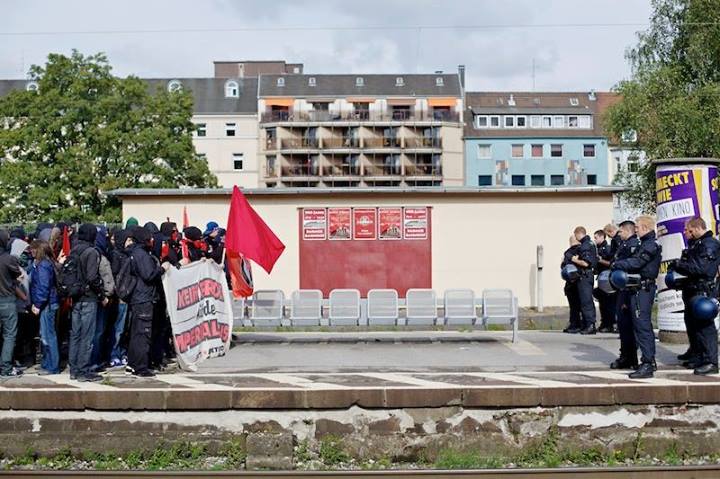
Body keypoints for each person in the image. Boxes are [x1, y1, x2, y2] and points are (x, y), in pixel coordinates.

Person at [611, 215, 661, 378]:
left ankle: (648, 363)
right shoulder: (644, 244)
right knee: (634, 324)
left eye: (638, 227)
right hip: (636, 288)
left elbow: (636, 263)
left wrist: (617, 264)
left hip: (644, 289)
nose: (636, 230)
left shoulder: (650, 245)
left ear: (645, 228)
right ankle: (635, 359)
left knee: (642, 326)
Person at [671, 217, 720, 375]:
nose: (686, 233)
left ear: (698, 228)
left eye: (688, 230)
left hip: (702, 290)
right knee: (693, 326)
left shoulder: (709, 244)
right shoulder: (696, 244)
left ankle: (711, 361)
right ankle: (699, 355)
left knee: (705, 327)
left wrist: (679, 265)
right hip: (691, 289)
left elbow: (701, 268)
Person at [126, 226, 169, 377]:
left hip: (140, 297)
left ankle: (133, 364)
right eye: (149, 238)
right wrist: (162, 269)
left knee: (137, 333)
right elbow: (149, 275)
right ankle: (140, 367)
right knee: (143, 334)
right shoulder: (141, 255)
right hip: (144, 298)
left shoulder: (137, 253)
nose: (152, 240)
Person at [67, 223, 105, 382]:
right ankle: (83, 370)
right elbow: (92, 278)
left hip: (75, 297)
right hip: (88, 298)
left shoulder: (74, 249)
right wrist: (102, 293)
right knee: (87, 336)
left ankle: (74, 369)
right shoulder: (91, 252)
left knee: (75, 334)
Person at [610, 221, 641, 371]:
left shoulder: (633, 245)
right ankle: (626, 356)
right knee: (623, 325)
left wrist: (618, 265)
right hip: (622, 288)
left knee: (629, 325)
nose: (619, 234)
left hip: (629, 288)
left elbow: (632, 265)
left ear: (626, 231)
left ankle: (631, 358)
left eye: (620, 232)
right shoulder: (624, 244)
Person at [29, 240, 60, 374]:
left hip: (46, 305)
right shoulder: (47, 263)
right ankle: (48, 363)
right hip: (49, 303)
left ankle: (52, 366)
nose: (31, 251)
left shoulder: (42, 266)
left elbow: (43, 287)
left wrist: (37, 304)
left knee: (48, 336)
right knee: (46, 335)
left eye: (33, 249)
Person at [109, 229, 133, 368]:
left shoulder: (127, 255)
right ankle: (114, 353)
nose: (130, 243)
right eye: (128, 240)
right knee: (118, 328)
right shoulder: (116, 256)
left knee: (125, 328)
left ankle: (123, 352)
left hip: (128, 296)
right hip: (120, 297)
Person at [0, 229, 22, 377]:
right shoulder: (8, 259)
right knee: (9, 335)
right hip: (7, 299)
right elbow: (17, 274)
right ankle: (6, 367)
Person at [569, 226, 598, 335]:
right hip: (588, 275)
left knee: (586, 301)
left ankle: (590, 325)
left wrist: (574, 259)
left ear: (578, 234)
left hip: (585, 275)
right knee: (585, 300)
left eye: (575, 235)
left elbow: (586, 263)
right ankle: (587, 324)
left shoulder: (585, 246)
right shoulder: (590, 243)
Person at [593, 229, 616, 333]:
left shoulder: (607, 249)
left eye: (596, 237)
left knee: (608, 304)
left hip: (607, 280)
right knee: (602, 304)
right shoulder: (597, 249)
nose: (595, 240)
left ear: (602, 237)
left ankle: (609, 324)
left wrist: (600, 260)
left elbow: (611, 263)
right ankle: (604, 323)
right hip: (601, 278)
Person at [562, 235, 581, 333]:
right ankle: (579, 324)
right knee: (580, 305)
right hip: (580, 282)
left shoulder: (568, 253)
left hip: (570, 283)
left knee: (574, 306)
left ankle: (575, 324)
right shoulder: (581, 250)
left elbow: (563, 267)